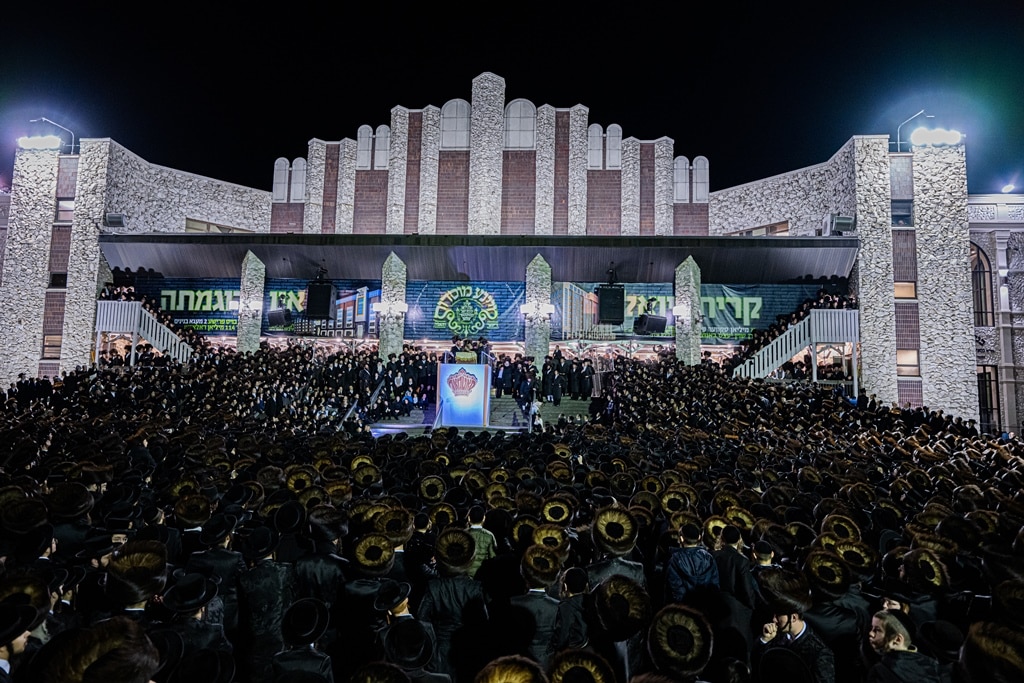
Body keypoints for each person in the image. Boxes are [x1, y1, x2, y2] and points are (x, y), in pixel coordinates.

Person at [865, 609, 950, 683]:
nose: (871, 633)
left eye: (877, 630)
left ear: (897, 639)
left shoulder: (880, 671)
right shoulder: (932, 665)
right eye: (872, 628)